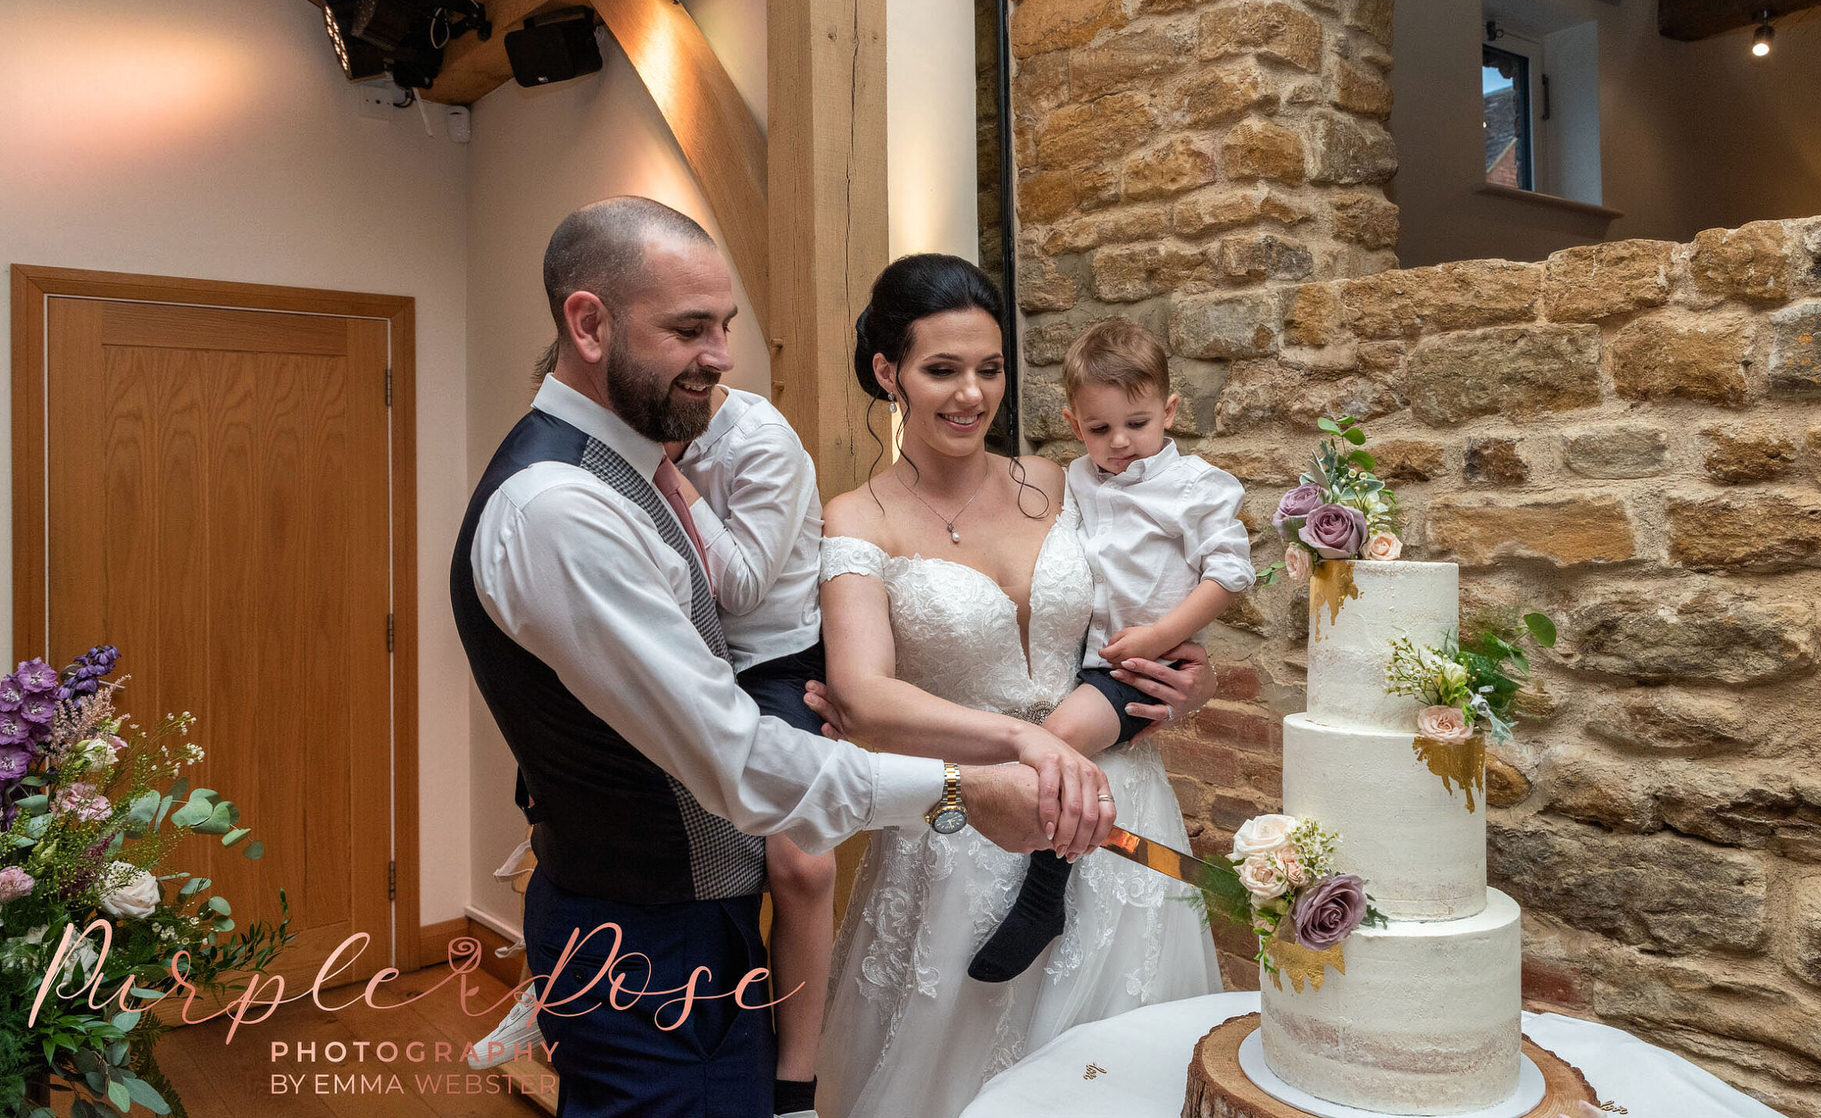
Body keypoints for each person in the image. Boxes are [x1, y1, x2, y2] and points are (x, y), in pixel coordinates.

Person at [450, 199, 1090, 1118]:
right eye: (688, 329)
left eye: (725, 327)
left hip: (694, 923)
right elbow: (740, 760)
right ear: (587, 324)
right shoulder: (561, 508)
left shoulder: (628, 470)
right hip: (641, 939)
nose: (720, 356)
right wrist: (962, 793)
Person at [805, 254, 1224, 1118]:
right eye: (942, 370)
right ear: (889, 373)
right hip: (965, 822)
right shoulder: (858, 517)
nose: (970, 395)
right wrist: (1024, 743)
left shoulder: (1060, 480)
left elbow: (1149, 600)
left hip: (1118, 806)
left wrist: (1191, 676)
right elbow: (862, 692)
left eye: (989, 369)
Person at [968, 317, 1253, 982]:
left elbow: (1230, 574)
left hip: (1142, 666)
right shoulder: (1077, 479)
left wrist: (1161, 637)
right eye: (1100, 429)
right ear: (1074, 423)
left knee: (1057, 737)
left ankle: (1043, 898)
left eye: (1137, 423)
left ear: (1170, 411)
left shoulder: (1197, 487)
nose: (1120, 443)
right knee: (1052, 729)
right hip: (1086, 660)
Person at [658, 387, 835, 1118]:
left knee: (800, 863)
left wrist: (667, 477)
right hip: (692, 657)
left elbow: (740, 586)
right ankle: (550, 991)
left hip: (776, 663)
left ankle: (796, 1088)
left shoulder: (761, 443)